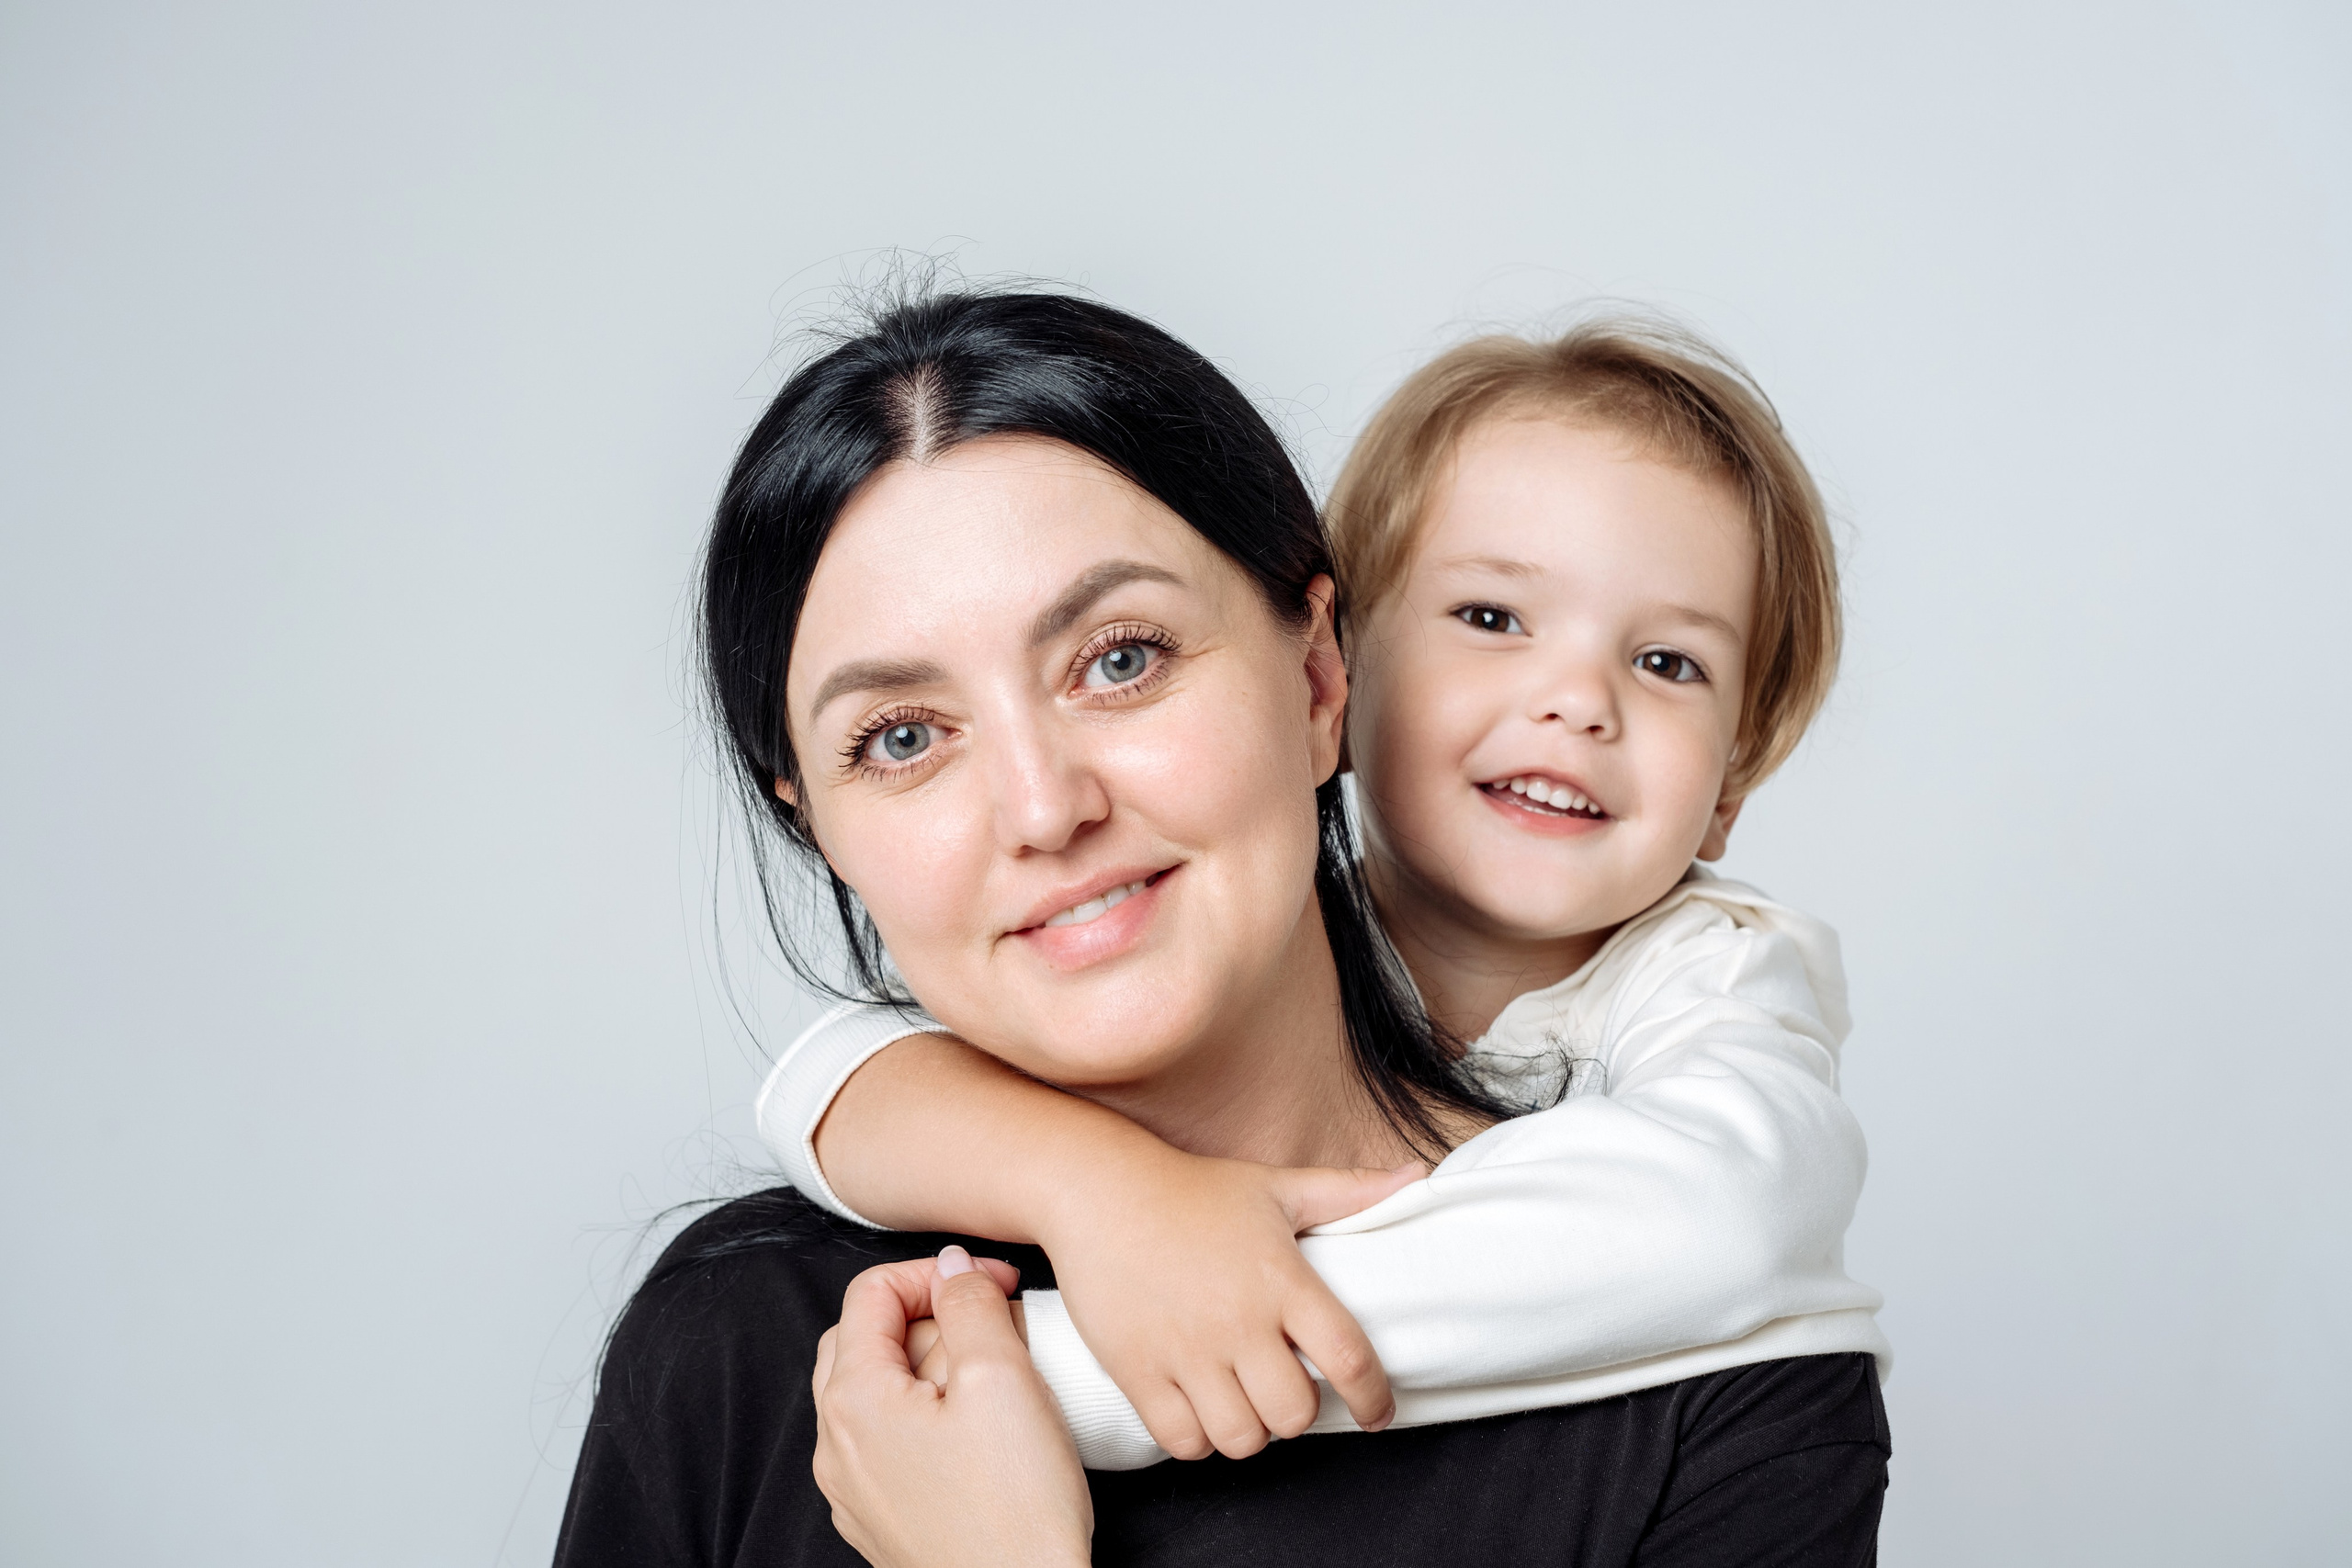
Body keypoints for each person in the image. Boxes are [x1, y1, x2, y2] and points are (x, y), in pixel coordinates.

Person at [553, 290, 1888, 1566]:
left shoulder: (1717, 1379)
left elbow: (1742, 1196)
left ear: (1318, 676)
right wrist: (1098, 1193)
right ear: (820, 830)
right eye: (903, 738)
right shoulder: (762, 1346)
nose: (1041, 807)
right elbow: (826, 1085)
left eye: (1120, 657)